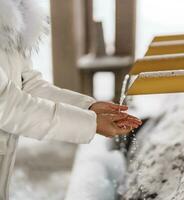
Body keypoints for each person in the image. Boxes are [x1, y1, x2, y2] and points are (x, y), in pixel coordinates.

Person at [0, 0, 142, 199]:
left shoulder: (13, 13)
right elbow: (6, 106)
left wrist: (89, 107)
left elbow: (27, 86)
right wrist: (90, 123)